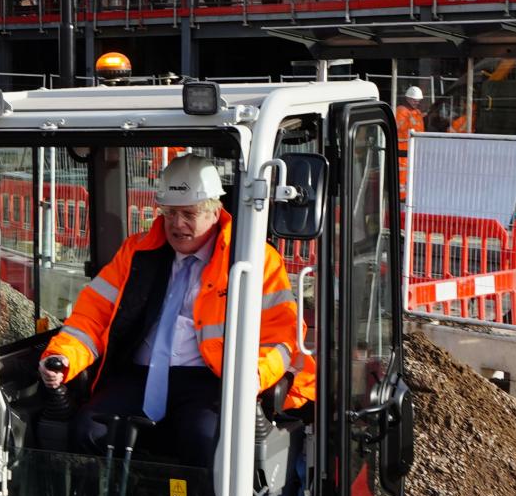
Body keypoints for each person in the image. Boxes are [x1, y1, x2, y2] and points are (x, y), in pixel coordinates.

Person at [36, 151, 314, 464]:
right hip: (138, 374)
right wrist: (61, 357)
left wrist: (253, 376)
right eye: (169, 214)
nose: (176, 224)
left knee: (205, 440)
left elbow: (282, 334)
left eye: (188, 214)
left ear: (214, 211)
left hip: (209, 378)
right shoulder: (136, 253)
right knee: (89, 430)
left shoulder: (255, 261)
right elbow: (91, 316)